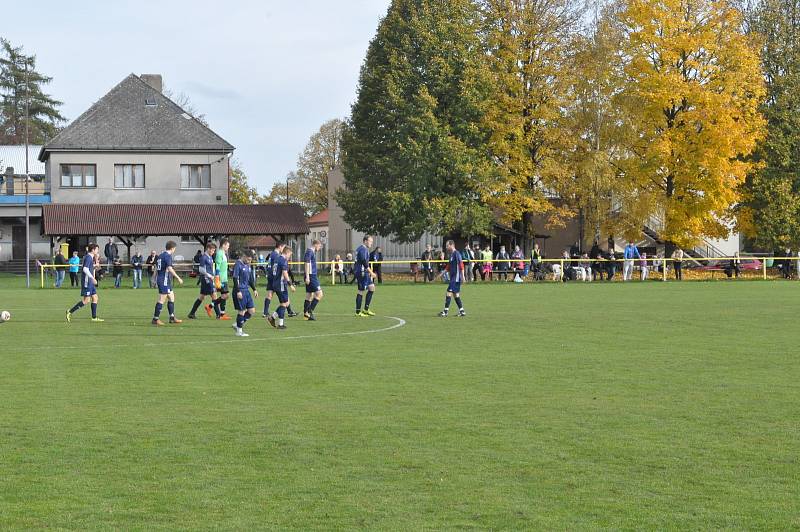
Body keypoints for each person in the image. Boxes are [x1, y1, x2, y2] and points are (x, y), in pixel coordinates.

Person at [66, 243, 104, 323]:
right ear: (93, 250)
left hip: (90, 282)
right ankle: (70, 312)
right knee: (86, 300)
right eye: (97, 249)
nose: (97, 251)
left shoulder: (90, 257)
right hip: (87, 282)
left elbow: (89, 268)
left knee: (95, 298)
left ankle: (94, 317)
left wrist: (94, 266)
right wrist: (92, 278)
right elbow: (85, 269)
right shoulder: (88, 257)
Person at [151, 241, 184, 326]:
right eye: (174, 249)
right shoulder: (167, 256)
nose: (174, 250)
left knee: (171, 297)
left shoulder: (160, 256)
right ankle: (155, 319)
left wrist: (153, 279)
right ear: (172, 248)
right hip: (163, 280)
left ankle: (172, 317)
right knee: (162, 299)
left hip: (163, 280)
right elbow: (169, 268)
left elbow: (155, 268)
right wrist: (178, 278)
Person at [188, 242, 222, 320]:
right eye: (212, 250)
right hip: (207, 280)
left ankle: (191, 313)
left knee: (201, 297)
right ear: (208, 249)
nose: (213, 252)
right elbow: (201, 269)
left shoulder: (210, 257)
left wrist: (214, 275)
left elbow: (210, 268)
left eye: (214, 250)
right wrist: (209, 275)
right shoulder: (204, 258)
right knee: (214, 295)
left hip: (208, 279)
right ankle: (218, 315)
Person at [267, 246, 296, 330]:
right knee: (284, 304)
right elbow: (285, 273)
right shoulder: (283, 260)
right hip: (281, 284)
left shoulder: (277, 258)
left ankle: (272, 317)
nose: (290, 257)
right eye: (290, 255)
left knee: (285, 303)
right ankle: (280, 324)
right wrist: (290, 284)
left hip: (276, 283)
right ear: (286, 253)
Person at [232, 250, 259, 337]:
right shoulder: (238, 264)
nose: (249, 262)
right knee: (242, 311)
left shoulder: (248, 265)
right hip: (240, 291)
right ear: (243, 256)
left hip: (246, 291)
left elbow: (250, 279)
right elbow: (235, 279)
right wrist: (238, 291)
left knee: (251, 311)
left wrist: (254, 289)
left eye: (250, 260)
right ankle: (239, 331)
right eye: (248, 260)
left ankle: (237, 324)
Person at [438, 240, 467, 317]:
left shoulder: (457, 254)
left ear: (451, 245)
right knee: (456, 295)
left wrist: (463, 277)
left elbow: (461, 265)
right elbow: (449, 266)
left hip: (456, 278)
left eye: (447, 246)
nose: (446, 247)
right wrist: (442, 273)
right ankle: (462, 311)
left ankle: (445, 312)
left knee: (448, 292)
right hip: (453, 278)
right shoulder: (451, 255)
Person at [354, 235, 377, 317]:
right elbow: (364, 262)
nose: (371, 243)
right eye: (370, 241)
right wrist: (371, 272)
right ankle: (357, 312)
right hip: (362, 272)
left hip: (364, 272)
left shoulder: (361, 248)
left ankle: (365, 310)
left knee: (372, 288)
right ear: (365, 241)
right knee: (361, 291)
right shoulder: (363, 249)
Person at [263, 241, 286, 319]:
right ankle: (289, 311)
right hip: (274, 277)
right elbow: (275, 267)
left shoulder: (272, 253)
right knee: (283, 296)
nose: (283, 249)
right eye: (283, 247)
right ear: (280, 246)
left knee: (270, 294)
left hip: (270, 276)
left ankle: (265, 312)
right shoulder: (276, 255)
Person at [303, 239, 324, 321]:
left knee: (309, 294)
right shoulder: (310, 252)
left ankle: (305, 313)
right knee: (319, 294)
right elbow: (307, 264)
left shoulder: (310, 252)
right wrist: (308, 276)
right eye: (319, 246)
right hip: (311, 276)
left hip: (311, 275)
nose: (319, 248)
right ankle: (309, 311)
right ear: (316, 244)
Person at [213, 238, 232, 320]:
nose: (228, 247)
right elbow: (217, 266)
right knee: (226, 295)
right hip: (221, 278)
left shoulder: (223, 253)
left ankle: (222, 314)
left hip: (224, 278)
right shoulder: (219, 253)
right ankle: (211, 307)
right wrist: (217, 279)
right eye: (227, 246)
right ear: (223, 245)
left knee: (225, 295)